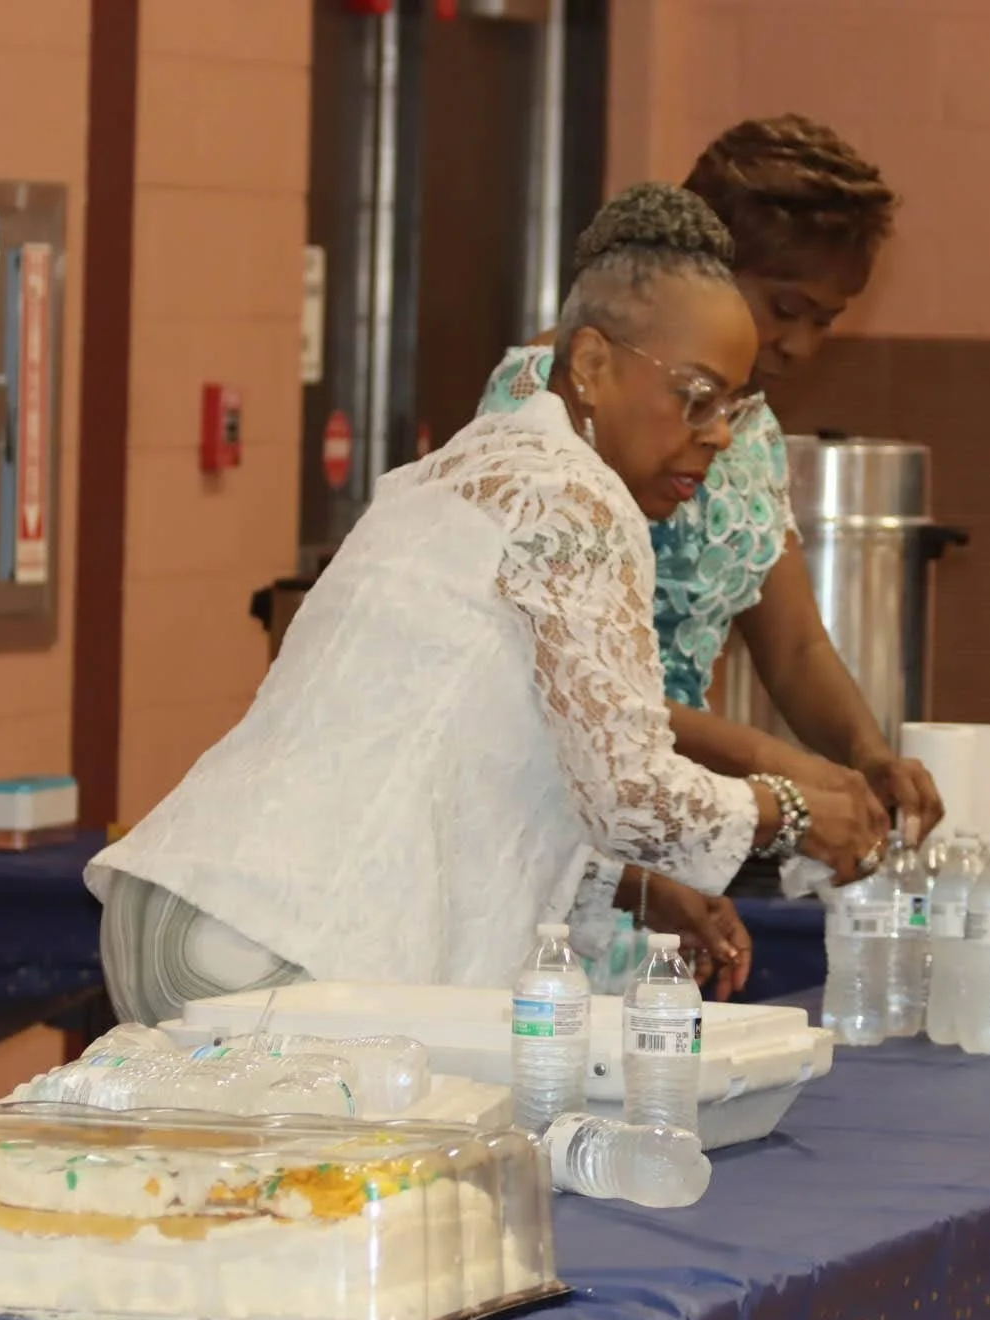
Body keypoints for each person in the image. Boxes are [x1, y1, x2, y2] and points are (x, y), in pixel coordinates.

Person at [87, 184, 883, 1026]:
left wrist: (628, 887)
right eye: (696, 396)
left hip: (194, 910)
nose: (719, 433)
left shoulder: (458, 470)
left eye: (734, 406)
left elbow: (466, 766)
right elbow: (634, 795)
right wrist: (791, 811)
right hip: (286, 941)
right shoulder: (578, 499)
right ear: (590, 364)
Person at [482, 115, 943, 988]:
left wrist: (865, 755)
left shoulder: (747, 425)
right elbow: (577, 689)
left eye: (828, 321)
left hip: (665, 838)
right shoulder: (552, 401)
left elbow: (795, 645)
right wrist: (786, 776)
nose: (801, 345)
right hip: (551, 824)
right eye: (787, 309)